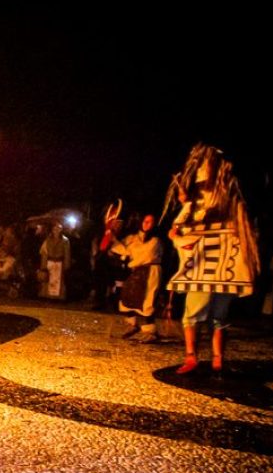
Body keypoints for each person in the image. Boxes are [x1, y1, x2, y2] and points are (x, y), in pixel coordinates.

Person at [164, 143, 259, 374]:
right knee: (192, 314)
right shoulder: (192, 205)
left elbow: (245, 232)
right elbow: (174, 231)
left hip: (225, 266)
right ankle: (191, 357)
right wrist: (182, 241)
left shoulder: (232, 202)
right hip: (200, 265)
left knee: (219, 316)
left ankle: (218, 358)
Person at [109, 214, 163, 342]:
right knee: (127, 297)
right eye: (145, 221)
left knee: (147, 301)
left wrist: (128, 255)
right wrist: (112, 238)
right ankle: (132, 325)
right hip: (136, 272)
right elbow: (121, 250)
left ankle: (150, 331)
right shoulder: (132, 238)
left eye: (150, 222)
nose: (146, 224)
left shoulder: (156, 240)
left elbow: (144, 254)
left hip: (150, 271)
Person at [38, 222, 71, 300]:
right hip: (50, 261)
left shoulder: (65, 240)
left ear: (61, 230)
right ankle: (48, 295)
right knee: (49, 279)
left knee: (59, 281)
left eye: (58, 228)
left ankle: (58, 297)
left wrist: (67, 265)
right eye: (55, 228)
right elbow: (44, 252)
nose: (56, 230)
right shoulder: (48, 239)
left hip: (59, 262)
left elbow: (67, 253)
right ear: (52, 230)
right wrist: (43, 265)